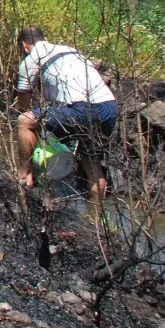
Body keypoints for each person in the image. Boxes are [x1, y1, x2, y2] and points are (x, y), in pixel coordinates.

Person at [14, 27, 117, 204]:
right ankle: (96, 220)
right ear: (44, 38)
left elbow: (23, 104)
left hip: (83, 109)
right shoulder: (70, 50)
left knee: (25, 121)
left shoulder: (30, 60)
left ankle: (25, 177)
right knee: (91, 161)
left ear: (25, 46)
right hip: (109, 107)